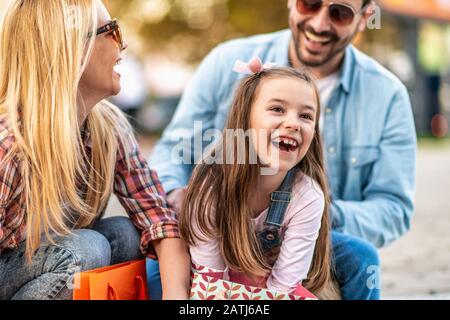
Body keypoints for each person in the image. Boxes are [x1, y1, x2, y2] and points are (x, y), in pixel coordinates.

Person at [150, 0, 417, 300]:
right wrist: (182, 199)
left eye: (339, 12)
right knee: (158, 266)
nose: (319, 24)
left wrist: (306, 218)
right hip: (218, 221)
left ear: (366, 17)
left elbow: (394, 208)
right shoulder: (226, 61)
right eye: (309, 4)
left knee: (361, 258)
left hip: (310, 235)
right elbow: (173, 151)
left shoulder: (387, 94)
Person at [0, 0, 190, 300]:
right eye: (111, 31)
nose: (123, 45)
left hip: (46, 262)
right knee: (86, 248)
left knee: (124, 234)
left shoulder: (109, 128)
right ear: (71, 51)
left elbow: (160, 220)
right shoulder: (9, 144)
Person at [180, 64, 331, 294]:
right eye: (278, 109)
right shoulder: (210, 185)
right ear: (245, 119)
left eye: (306, 116)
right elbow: (209, 283)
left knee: (360, 255)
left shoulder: (307, 197)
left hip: (270, 286)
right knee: (155, 273)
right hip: (210, 281)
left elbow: (283, 289)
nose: (293, 123)